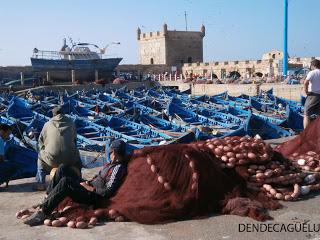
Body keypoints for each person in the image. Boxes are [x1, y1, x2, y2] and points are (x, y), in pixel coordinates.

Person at [24, 139, 128, 226]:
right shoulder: (111, 164)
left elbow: (108, 192)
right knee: (62, 168)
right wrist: (87, 182)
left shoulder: (118, 168)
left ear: (114, 152)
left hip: (93, 196)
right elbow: (99, 179)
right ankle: (47, 199)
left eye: (110, 152)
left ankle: (43, 212)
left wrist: (88, 188)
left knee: (66, 182)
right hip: (88, 186)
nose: (109, 153)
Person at [34, 106, 81, 190]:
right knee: (76, 152)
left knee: (40, 157)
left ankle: (41, 183)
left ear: (53, 115)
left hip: (52, 160)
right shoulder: (71, 123)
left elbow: (40, 141)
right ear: (63, 113)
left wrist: (44, 149)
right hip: (70, 160)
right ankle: (78, 178)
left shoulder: (47, 124)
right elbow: (74, 140)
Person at [303, 59, 320, 129]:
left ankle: (306, 134)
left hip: (313, 95)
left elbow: (306, 82)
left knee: (306, 114)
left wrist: (306, 92)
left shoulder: (312, 72)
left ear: (313, 65)